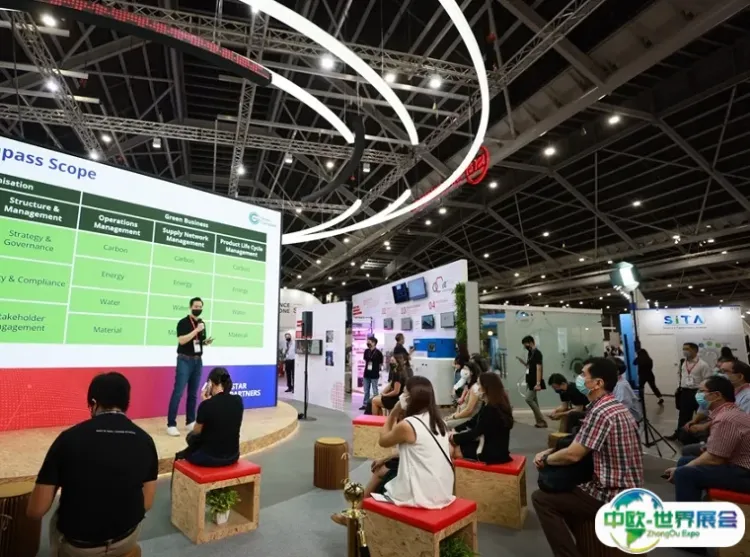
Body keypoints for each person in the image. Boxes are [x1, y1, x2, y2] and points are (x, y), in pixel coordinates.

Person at [27, 373, 158, 557]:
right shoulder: (145, 440)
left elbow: (36, 510)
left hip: (78, 548)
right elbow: (147, 503)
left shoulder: (68, 439)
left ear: (94, 403)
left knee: (55, 521)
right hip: (125, 540)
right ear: (126, 403)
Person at [532, 358, 643, 557]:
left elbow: (573, 455)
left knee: (542, 499)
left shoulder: (601, 412)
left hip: (610, 493)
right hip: (626, 486)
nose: (580, 378)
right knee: (566, 491)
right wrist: (551, 452)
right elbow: (580, 442)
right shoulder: (612, 406)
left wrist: (546, 460)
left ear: (598, 383)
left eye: (584, 375)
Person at [359, 376, 454, 508]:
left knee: (382, 472)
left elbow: (383, 441)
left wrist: (394, 412)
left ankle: (356, 511)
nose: (401, 396)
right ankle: (357, 510)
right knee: (384, 468)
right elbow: (421, 451)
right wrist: (386, 458)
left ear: (409, 398)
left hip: (422, 493)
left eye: (404, 393)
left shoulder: (408, 425)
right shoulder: (439, 422)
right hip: (442, 488)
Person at [664, 375, 750, 501]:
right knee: (684, 461)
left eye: (701, 391)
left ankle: (689, 512)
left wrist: (680, 470)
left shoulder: (726, 418)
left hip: (744, 473)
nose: (698, 395)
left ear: (716, 395)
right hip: (737, 464)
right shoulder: (729, 412)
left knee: (684, 473)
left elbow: (715, 459)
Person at [176, 367, 243, 467]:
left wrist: (205, 403)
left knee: (191, 437)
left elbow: (196, 432)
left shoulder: (206, 405)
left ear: (210, 383)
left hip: (210, 458)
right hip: (233, 456)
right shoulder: (238, 400)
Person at [681, 359, 750, 456]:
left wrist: (706, 426)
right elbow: (704, 409)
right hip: (716, 422)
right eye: (719, 370)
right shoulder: (727, 389)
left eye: (724, 371)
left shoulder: (747, 397)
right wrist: (694, 420)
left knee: (687, 450)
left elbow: (740, 422)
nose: (719, 374)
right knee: (684, 431)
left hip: (728, 431)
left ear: (739, 376)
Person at [167, 297, 213, 436]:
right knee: (178, 392)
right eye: (196, 306)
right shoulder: (183, 322)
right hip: (184, 360)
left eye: (200, 307)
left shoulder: (202, 323)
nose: (198, 309)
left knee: (193, 394)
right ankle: (171, 424)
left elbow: (198, 341)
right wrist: (196, 330)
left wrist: (205, 342)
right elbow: (182, 340)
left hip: (198, 361)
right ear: (190, 307)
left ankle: (190, 421)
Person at [450, 372, 513, 464]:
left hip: (492, 453)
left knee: (454, 450)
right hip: (495, 448)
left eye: (479, 384)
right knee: (456, 445)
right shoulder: (495, 403)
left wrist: (454, 438)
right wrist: (455, 429)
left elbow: (476, 432)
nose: (477, 387)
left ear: (486, 387)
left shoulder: (491, 409)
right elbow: (473, 421)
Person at [668, 342, 713, 441]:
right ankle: (680, 434)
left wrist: (704, 393)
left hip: (699, 393)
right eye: (683, 349)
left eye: (687, 349)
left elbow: (708, 380)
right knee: (683, 415)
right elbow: (680, 375)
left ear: (695, 350)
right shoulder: (683, 363)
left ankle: (699, 436)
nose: (684, 351)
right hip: (685, 392)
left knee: (700, 415)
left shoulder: (703, 364)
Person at [517, 335, 547, 428]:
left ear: (530, 342)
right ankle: (539, 422)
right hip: (530, 380)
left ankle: (542, 420)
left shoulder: (537, 353)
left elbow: (539, 368)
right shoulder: (531, 353)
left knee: (528, 399)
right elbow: (530, 366)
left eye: (525, 344)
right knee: (534, 401)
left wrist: (538, 383)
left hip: (534, 381)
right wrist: (523, 363)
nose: (525, 346)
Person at [446, 361, 483, 429]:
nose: (463, 370)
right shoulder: (468, 385)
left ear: (471, 372)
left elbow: (469, 410)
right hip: (462, 415)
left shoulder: (474, 389)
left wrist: (454, 417)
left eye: (465, 369)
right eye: (463, 368)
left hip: (469, 418)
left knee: (445, 425)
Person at [611, 357, 642, 423]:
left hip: (629, 420)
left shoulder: (621, 386)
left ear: (617, 371)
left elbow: (621, 408)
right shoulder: (614, 382)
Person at [361, 336, 384, 410]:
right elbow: (365, 359)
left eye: (369, 341)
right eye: (367, 341)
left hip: (374, 374)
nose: (368, 343)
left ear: (374, 343)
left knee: (375, 390)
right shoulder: (366, 351)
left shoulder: (378, 353)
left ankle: (376, 404)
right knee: (366, 390)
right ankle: (365, 404)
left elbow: (381, 363)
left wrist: (378, 370)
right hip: (366, 373)